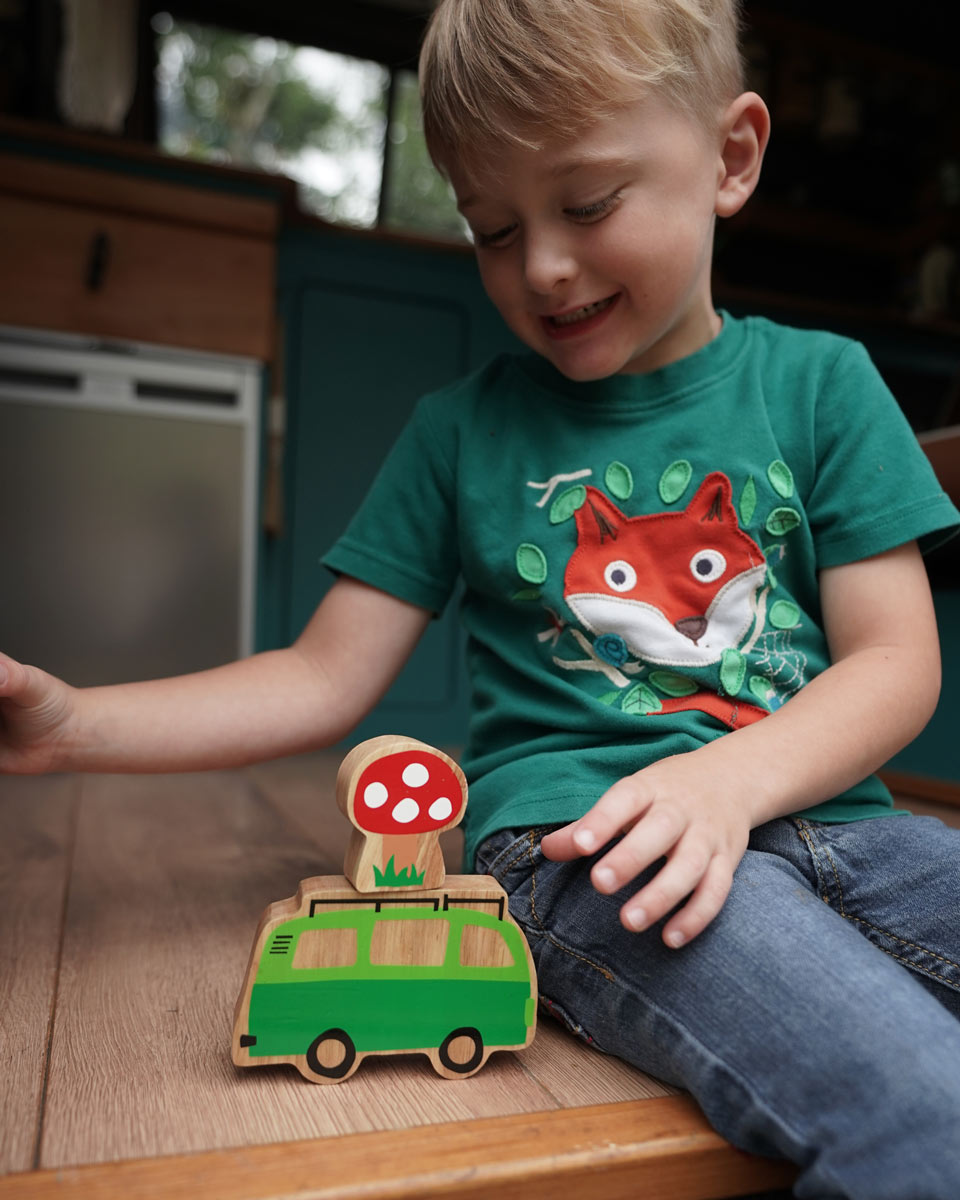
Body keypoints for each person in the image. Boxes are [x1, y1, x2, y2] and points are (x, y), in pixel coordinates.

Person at [3, 0, 960, 1193]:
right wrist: (75, 724)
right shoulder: (459, 435)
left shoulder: (826, 386)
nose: (542, 266)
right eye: (492, 229)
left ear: (732, 157)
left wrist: (730, 782)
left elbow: (895, 663)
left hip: (848, 828)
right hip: (589, 851)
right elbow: (318, 678)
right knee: (923, 1104)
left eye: (588, 204)